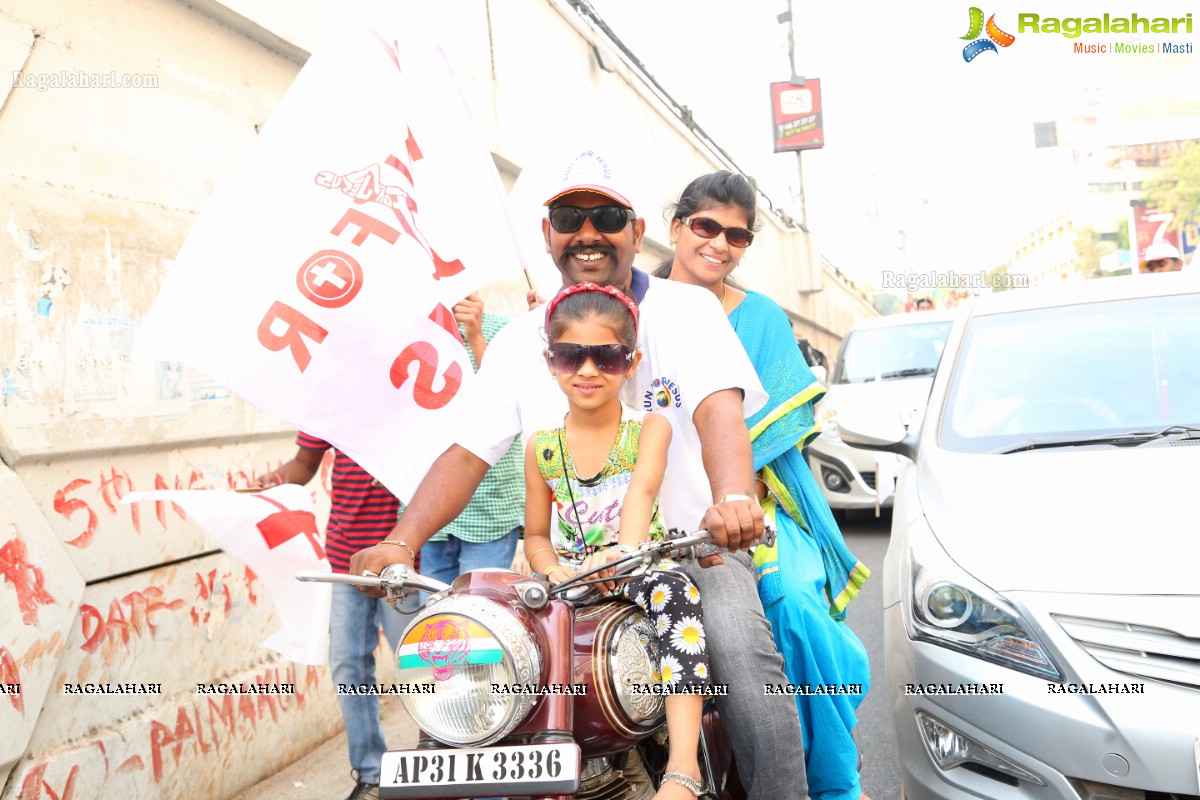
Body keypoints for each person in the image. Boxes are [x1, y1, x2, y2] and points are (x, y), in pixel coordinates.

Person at [352, 147, 811, 799]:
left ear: (635, 231)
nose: (587, 232)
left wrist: (733, 497)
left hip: (688, 555)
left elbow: (719, 414)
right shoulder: (519, 344)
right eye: (570, 216)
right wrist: (402, 539)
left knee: (739, 651)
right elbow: (466, 453)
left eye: (607, 216)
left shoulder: (687, 313)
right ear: (548, 234)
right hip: (563, 576)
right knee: (470, 671)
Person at [656, 170, 872, 800]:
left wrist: (733, 505)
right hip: (645, 517)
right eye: (705, 227)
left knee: (791, 605)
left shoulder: (762, 319)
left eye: (737, 235)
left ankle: (831, 781)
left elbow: (764, 438)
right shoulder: (634, 309)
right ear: (676, 227)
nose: (719, 243)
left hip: (753, 507)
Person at [525, 281, 709, 798]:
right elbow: (537, 534)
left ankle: (683, 765)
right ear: (550, 360)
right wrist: (549, 569)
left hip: (638, 568)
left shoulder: (650, 427)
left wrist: (622, 556)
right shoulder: (540, 447)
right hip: (570, 580)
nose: (587, 370)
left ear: (632, 362)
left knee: (676, 594)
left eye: (606, 357)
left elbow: (642, 493)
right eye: (570, 355)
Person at [255, 441, 413, 800]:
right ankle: (373, 775)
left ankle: (438, 766)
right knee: (348, 664)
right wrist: (277, 478)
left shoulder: (408, 393)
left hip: (403, 559)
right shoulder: (331, 395)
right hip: (347, 557)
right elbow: (303, 462)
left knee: (423, 666)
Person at [419, 294, 525, 590]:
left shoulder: (504, 332)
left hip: (487, 509)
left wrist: (476, 337)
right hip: (431, 508)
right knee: (433, 612)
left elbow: (509, 404)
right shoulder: (419, 335)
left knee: (477, 607)